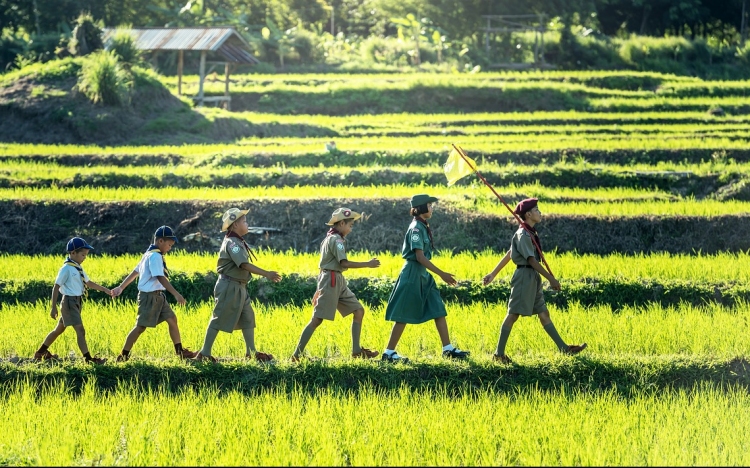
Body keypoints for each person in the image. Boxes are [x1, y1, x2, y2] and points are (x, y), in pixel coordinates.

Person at [489, 197, 587, 364]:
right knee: (513, 315)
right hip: (524, 277)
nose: (540, 212)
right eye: (537, 210)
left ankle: (564, 348)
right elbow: (531, 260)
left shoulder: (530, 232)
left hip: (533, 277)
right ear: (528, 214)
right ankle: (499, 354)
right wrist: (551, 279)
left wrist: (492, 274)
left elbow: (509, 253)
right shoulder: (523, 234)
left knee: (543, 313)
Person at [381, 194, 469, 363]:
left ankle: (447, 349)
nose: (432, 208)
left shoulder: (422, 226)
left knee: (438, 308)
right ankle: (389, 353)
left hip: (423, 274)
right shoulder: (416, 228)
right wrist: (442, 274)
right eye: (429, 205)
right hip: (413, 274)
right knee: (403, 314)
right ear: (421, 208)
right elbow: (420, 257)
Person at [291, 207, 381, 361]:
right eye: (350, 225)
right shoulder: (335, 240)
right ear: (341, 224)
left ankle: (356, 350)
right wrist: (367, 264)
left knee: (358, 311)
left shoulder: (331, 238)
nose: (351, 229)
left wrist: (319, 287)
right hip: (331, 280)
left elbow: (324, 266)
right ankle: (296, 355)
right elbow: (343, 262)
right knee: (317, 319)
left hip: (336, 280)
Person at [194, 208, 281, 363]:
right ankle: (204, 352)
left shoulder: (237, 241)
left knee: (248, 317)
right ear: (234, 225)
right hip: (229, 286)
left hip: (239, 286)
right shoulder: (232, 243)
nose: (247, 224)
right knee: (218, 318)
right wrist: (267, 273)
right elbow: (244, 265)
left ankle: (251, 352)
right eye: (244, 221)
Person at [111, 226, 198, 362]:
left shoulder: (148, 254)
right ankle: (123, 355)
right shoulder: (155, 256)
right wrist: (176, 294)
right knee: (140, 327)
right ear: (160, 241)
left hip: (159, 297)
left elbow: (135, 272)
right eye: (169, 245)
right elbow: (160, 277)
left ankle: (180, 351)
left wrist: (121, 287)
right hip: (149, 297)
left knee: (172, 319)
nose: (170, 248)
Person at [33, 237, 109, 364]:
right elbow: (56, 287)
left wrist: (105, 290)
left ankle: (40, 352)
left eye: (86, 255)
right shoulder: (66, 268)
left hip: (77, 302)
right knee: (80, 330)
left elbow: (89, 282)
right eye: (83, 254)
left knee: (59, 329)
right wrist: (53, 307)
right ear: (73, 253)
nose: (85, 257)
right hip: (69, 302)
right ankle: (89, 359)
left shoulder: (78, 267)